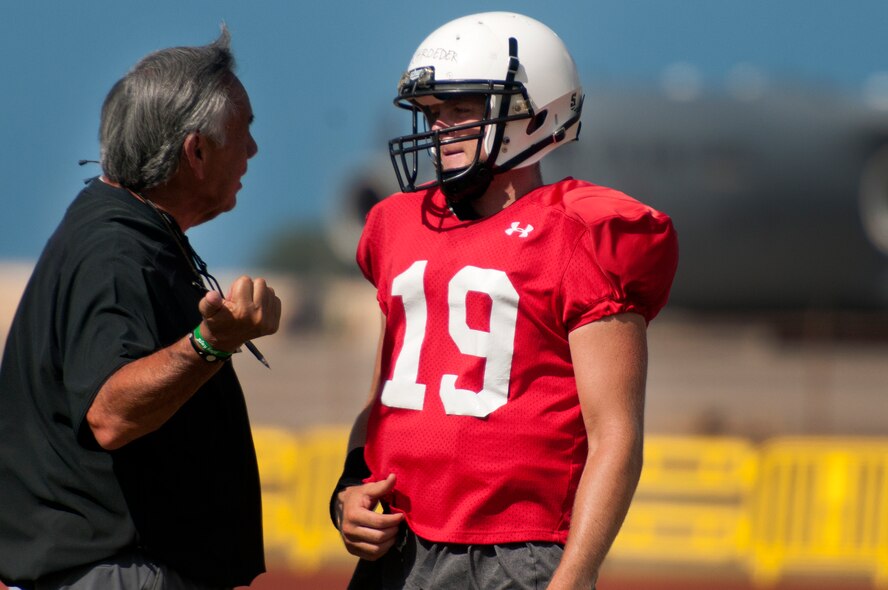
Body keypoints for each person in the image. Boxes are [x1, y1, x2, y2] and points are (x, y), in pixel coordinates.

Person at [330, 11, 679, 590]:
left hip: (516, 553)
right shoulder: (397, 224)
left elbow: (615, 436)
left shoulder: (581, 232)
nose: (439, 130)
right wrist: (348, 491)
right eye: (434, 113)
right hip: (402, 541)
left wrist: (575, 576)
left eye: (460, 111)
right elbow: (386, 394)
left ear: (535, 112)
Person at [0, 27, 281, 590]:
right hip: (116, 573)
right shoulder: (115, 250)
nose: (252, 149)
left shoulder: (130, 232)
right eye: (243, 131)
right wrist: (211, 343)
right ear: (196, 152)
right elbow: (111, 414)